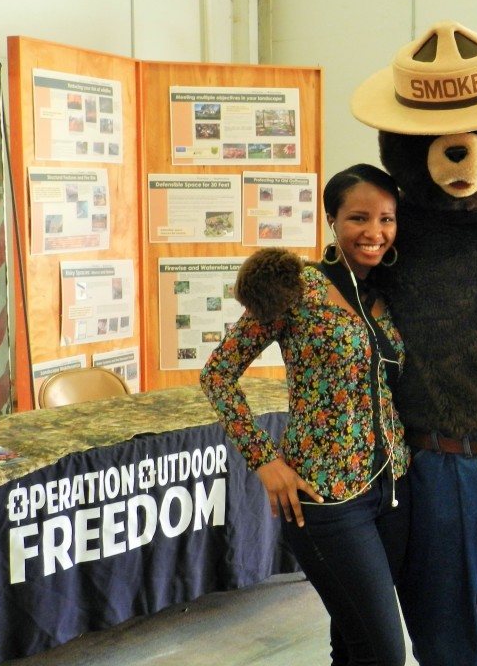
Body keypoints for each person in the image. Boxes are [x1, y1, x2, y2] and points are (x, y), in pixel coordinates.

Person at [200, 164, 411, 664]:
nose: (375, 232)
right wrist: (265, 462)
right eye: (359, 217)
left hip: (395, 489)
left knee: (354, 640)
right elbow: (217, 375)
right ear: (333, 220)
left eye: (387, 219)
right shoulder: (296, 288)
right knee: (385, 652)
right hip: (324, 497)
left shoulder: (390, 293)